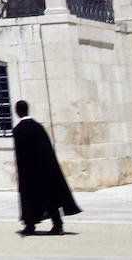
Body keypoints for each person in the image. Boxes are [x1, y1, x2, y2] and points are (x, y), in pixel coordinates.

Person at [13, 100, 81, 235]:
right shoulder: (39, 127)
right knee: (50, 198)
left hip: (29, 172)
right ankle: (58, 224)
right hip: (46, 170)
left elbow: (20, 155)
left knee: (29, 199)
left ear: (17, 112)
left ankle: (30, 225)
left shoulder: (18, 130)